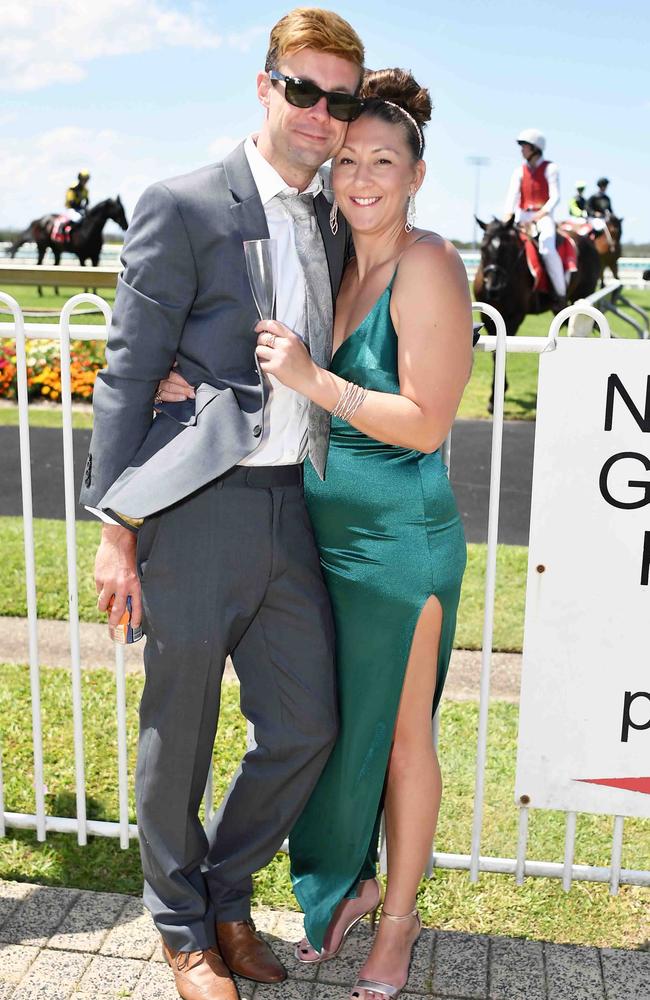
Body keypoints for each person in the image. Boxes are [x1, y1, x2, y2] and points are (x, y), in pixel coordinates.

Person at [159, 67, 472, 1000]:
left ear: (417, 174)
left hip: (400, 546)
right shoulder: (342, 256)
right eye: (348, 161)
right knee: (340, 733)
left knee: (406, 737)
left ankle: (401, 927)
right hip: (324, 543)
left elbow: (425, 421)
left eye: (385, 161)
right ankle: (352, 883)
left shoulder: (427, 264)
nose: (362, 178)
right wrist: (184, 376)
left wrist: (315, 380)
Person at [79, 10, 366, 1000]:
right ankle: (181, 929)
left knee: (304, 726)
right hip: (193, 511)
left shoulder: (338, 219)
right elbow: (127, 374)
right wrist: (116, 523)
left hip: (296, 507)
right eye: (303, 90)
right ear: (263, 86)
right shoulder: (185, 204)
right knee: (181, 728)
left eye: (339, 99)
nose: (320, 114)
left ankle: (226, 893)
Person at [503, 128, 566, 303]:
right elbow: (512, 197)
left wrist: (539, 215)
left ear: (535, 149)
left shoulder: (551, 168)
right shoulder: (518, 171)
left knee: (547, 248)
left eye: (525, 146)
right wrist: (507, 218)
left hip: (543, 218)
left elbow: (555, 197)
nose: (521, 150)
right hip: (521, 217)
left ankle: (560, 293)